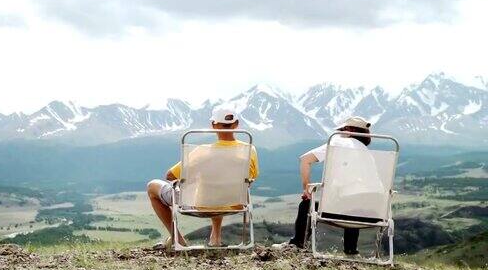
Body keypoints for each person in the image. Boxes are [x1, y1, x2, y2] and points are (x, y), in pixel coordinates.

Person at [147, 108, 259, 249]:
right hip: (235, 204)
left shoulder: (202, 152)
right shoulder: (249, 150)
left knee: (152, 186)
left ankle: (178, 239)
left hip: (199, 206)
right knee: (220, 183)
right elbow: (253, 176)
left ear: (213, 125)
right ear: (236, 124)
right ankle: (216, 239)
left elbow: (170, 175)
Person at [273, 116, 372, 255]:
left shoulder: (337, 142)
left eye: (342, 130)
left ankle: (297, 244)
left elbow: (305, 160)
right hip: (370, 213)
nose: (340, 133)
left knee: (306, 204)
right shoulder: (368, 154)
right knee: (354, 201)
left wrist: (306, 188)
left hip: (340, 212)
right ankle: (351, 250)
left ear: (349, 131)